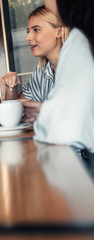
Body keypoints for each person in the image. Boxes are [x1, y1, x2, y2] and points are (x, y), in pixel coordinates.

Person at [34, 0, 94, 161]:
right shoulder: (41, 71)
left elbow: (61, 128)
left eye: (36, 30)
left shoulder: (79, 41)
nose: (45, 3)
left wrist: (47, 112)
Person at [1, 5, 69, 122]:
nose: (27, 37)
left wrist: (44, 111)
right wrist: (11, 87)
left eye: (36, 30)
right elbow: (13, 112)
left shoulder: (82, 67)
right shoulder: (41, 71)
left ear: (59, 31)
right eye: (28, 31)